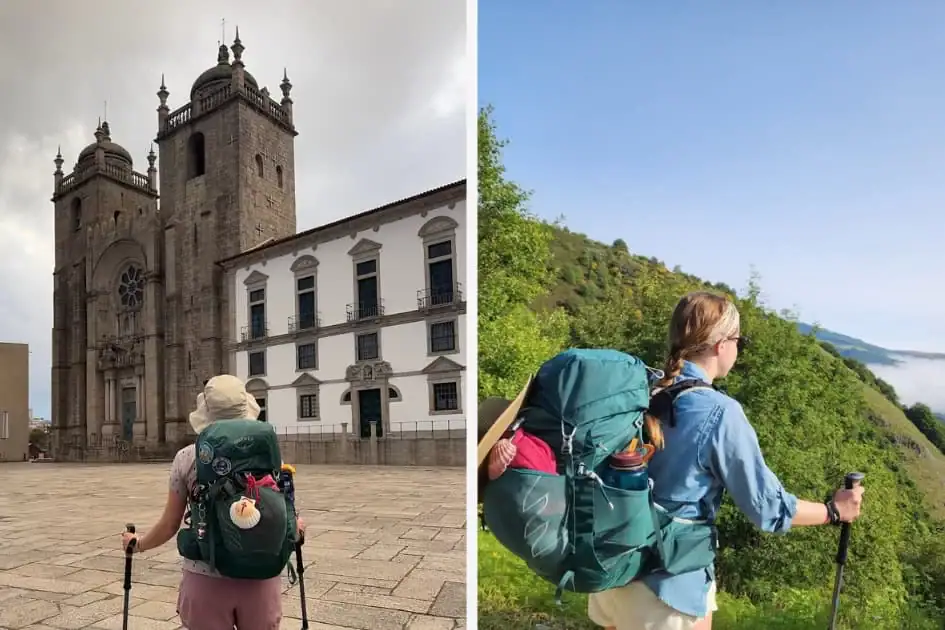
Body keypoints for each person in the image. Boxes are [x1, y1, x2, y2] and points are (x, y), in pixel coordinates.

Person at [587, 291, 865, 630]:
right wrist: (835, 511)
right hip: (667, 588)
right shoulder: (719, 412)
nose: (738, 349)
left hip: (614, 571)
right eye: (739, 341)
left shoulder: (643, 391)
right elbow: (768, 508)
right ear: (721, 344)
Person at [119, 374, 305, 630]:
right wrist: (297, 528)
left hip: (205, 577)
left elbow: (170, 524)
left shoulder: (187, 457)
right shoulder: (268, 451)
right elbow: (283, 506)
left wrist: (138, 544)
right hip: (262, 576)